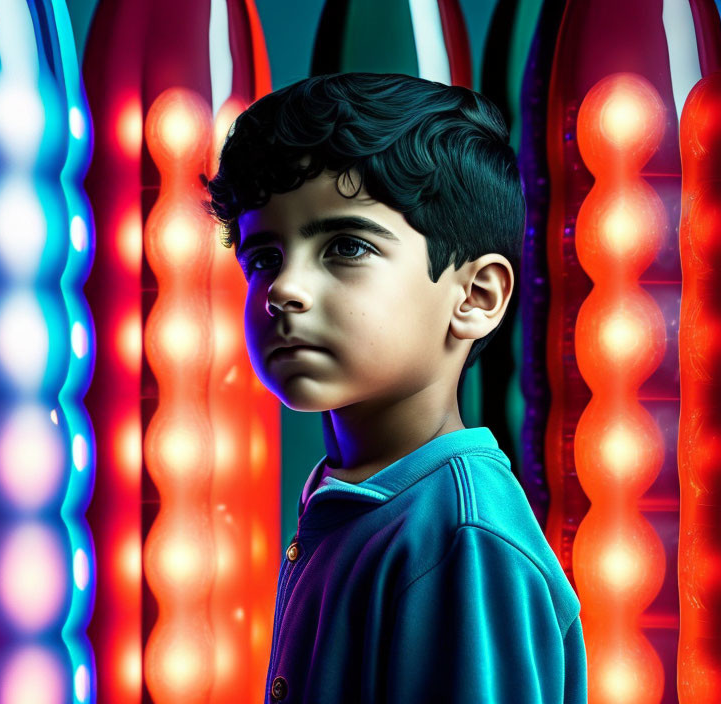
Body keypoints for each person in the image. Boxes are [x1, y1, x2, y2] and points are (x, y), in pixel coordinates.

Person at [202, 72, 586, 703]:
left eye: (346, 246)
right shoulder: (352, 495)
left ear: (475, 296)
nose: (283, 290)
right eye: (264, 257)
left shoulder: (462, 541)